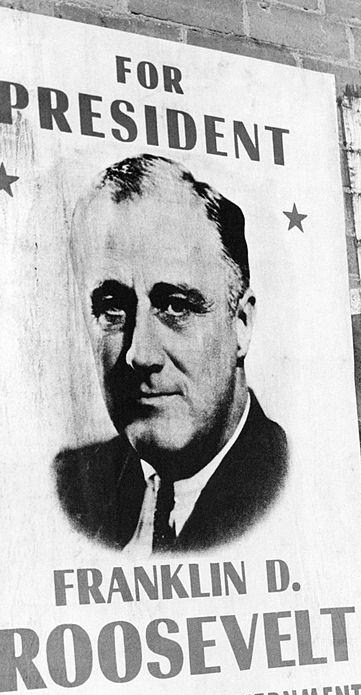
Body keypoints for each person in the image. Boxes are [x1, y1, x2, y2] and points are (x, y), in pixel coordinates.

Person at [54, 153, 287, 554]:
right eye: (113, 308)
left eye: (176, 306)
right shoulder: (73, 488)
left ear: (241, 325)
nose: (139, 354)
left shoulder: (288, 484)